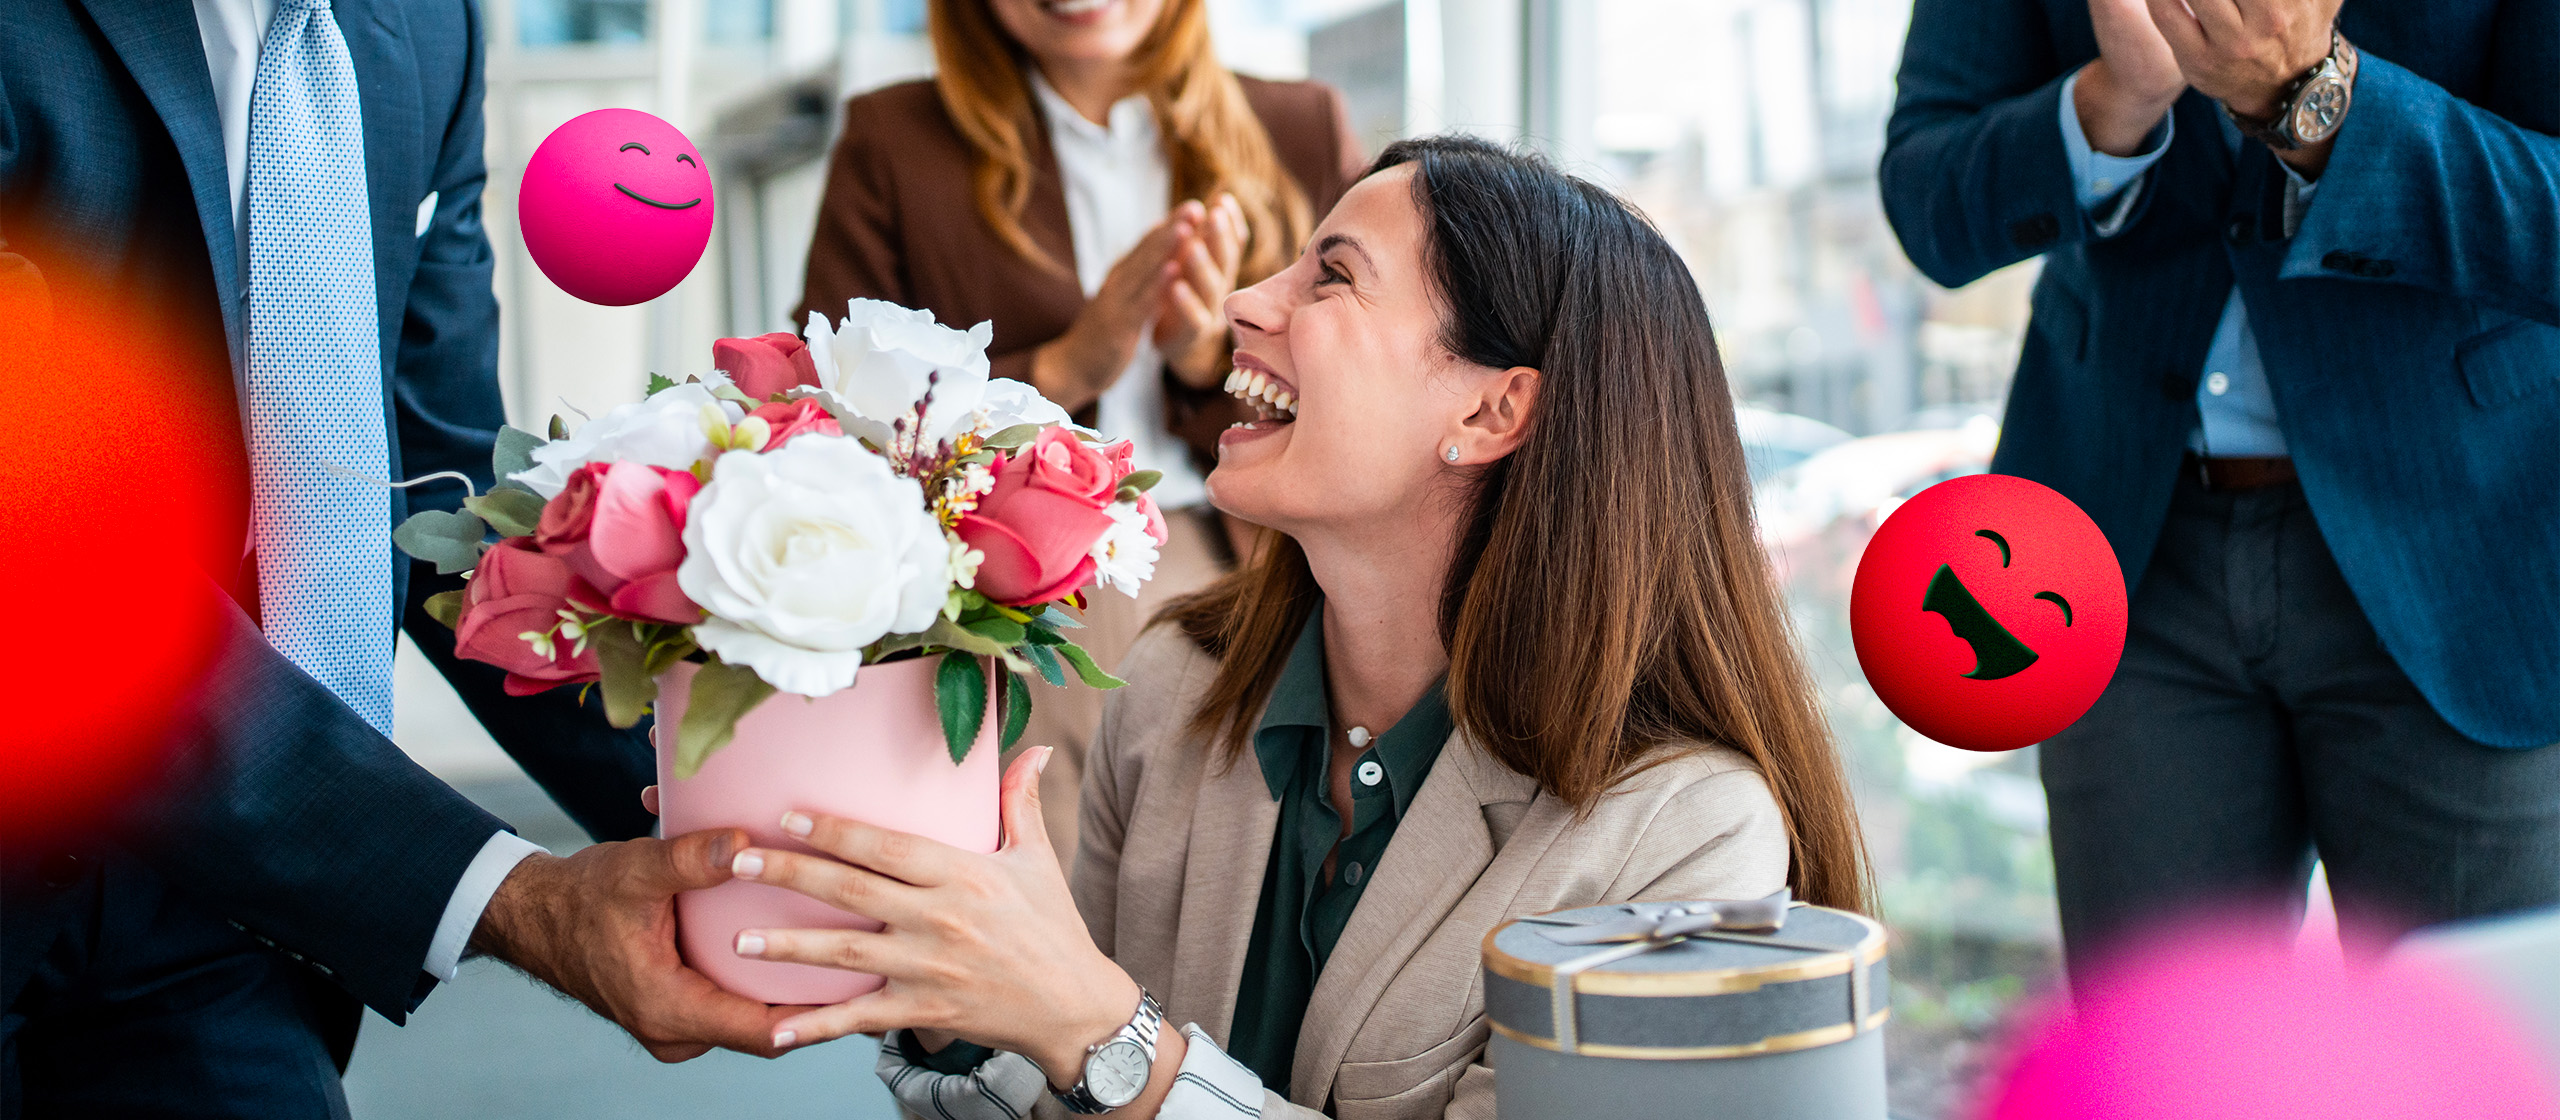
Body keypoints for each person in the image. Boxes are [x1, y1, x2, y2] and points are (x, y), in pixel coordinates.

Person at [714, 137, 1871, 1118]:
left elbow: (1096, 1049)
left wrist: (1100, 1030)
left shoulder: (1683, 836)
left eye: (1331, 279)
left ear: (1490, 407)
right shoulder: (1170, 686)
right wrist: (950, 1000)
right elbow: (1051, 1088)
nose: (1241, 304)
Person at [0, 2, 789, 1114]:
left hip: (210, 879)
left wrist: (743, 818)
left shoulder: (425, 31)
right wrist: (507, 893)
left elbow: (434, 479)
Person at [1881, 0, 2560, 978]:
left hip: (2461, 545)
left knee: (2477, 1068)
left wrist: (2313, 103)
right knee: (2154, 1071)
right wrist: (2108, 105)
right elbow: (1926, 196)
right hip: (2123, 556)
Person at [796, 0, 1366, 864]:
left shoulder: (1300, 128)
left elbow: (1373, 403)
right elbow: (824, 417)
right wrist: (1063, 371)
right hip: (1027, 571)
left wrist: (1205, 360)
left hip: (1264, 558)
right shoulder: (895, 140)